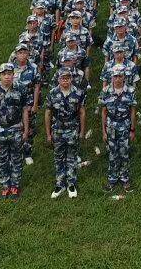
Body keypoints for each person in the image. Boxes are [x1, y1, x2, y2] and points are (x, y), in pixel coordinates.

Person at [0, 63, 30, 199]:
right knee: (2, 159)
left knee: (17, 159)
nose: (7, 76)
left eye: (9, 74)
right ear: (0, 75)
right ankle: (5, 186)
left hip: (16, 129)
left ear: (13, 75)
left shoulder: (21, 89)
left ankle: (15, 186)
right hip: (0, 131)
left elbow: (24, 110)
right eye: (4, 74)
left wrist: (26, 130)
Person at [44, 68, 86, 199]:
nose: (65, 81)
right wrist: (48, 134)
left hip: (72, 129)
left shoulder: (79, 93)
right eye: (62, 78)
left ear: (71, 79)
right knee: (58, 158)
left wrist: (82, 132)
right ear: (58, 79)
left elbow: (82, 112)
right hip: (57, 130)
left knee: (72, 157)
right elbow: (48, 113)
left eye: (67, 78)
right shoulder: (52, 93)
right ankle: (60, 184)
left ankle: (71, 184)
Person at [100, 66, 137, 193]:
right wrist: (104, 131)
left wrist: (132, 129)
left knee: (125, 153)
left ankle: (125, 179)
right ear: (112, 77)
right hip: (111, 126)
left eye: (120, 76)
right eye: (115, 76)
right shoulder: (106, 91)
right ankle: (112, 179)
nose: (117, 79)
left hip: (125, 125)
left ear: (124, 77)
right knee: (112, 153)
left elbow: (132, 111)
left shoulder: (130, 91)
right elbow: (104, 112)